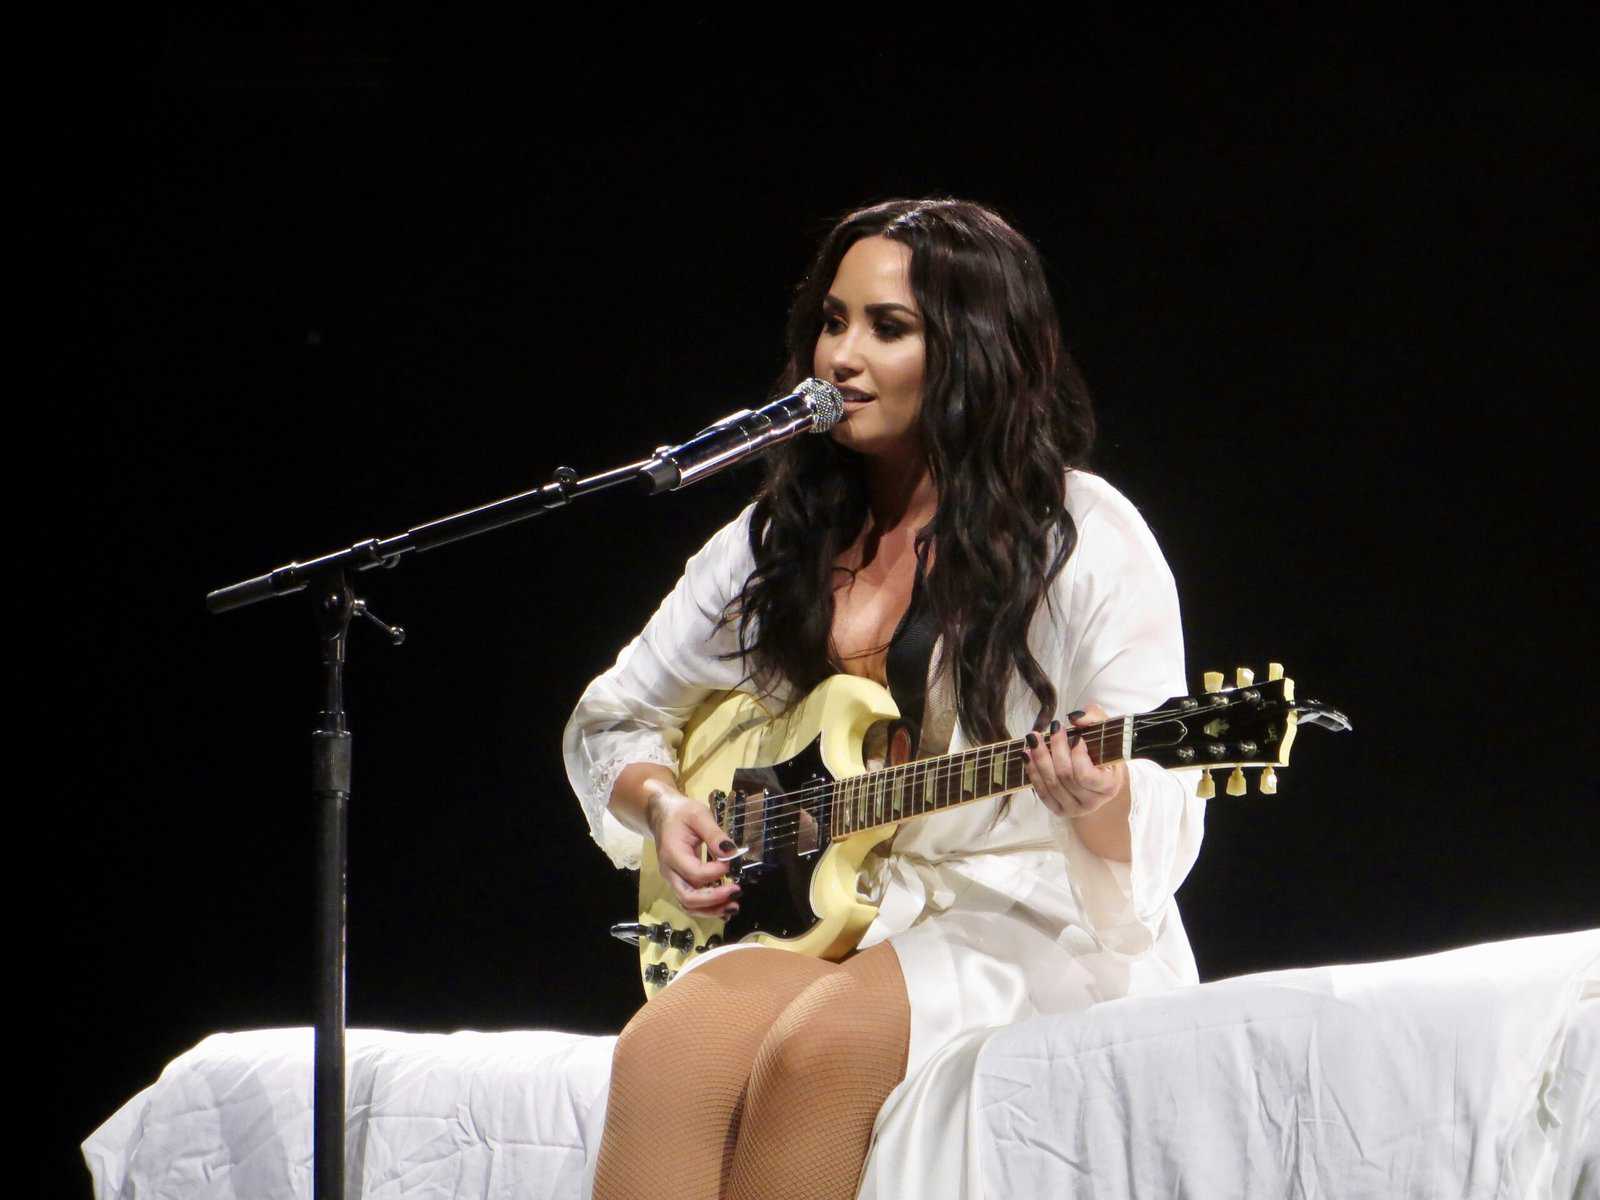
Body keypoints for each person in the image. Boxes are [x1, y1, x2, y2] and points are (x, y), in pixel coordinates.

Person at [562, 197, 1206, 1200]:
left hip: (1020, 917)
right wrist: (664, 804)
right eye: (832, 321)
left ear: (974, 352)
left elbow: (1155, 791)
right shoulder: (780, 536)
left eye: (887, 327)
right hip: (843, 915)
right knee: (667, 1049)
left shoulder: (1081, 535)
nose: (841, 357)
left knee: (816, 1052)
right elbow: (619, 714)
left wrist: (1098, 795)